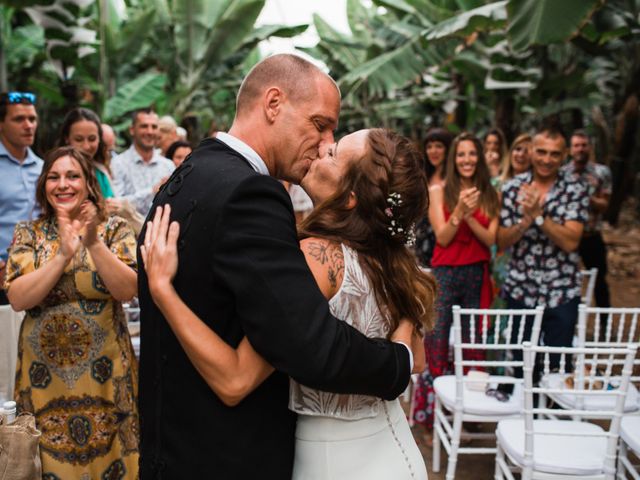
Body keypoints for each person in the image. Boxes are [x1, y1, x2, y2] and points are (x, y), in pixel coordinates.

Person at [136, 53, 417, 479]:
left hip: (173, 446)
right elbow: (310, 342)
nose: (325, 143)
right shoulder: (252, 194)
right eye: (320, 124)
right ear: (273, 104)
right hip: (228, 457)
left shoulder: (186, 176)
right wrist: (398, 364)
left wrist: (163, 293)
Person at [4, 146, 139, 479]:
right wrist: (63, 256)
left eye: (72, 175)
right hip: (44, 382)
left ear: (88, 183)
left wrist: (92, 243)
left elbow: (128, 289)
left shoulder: (114, 229)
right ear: (43, 185)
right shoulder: (28, 233)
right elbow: (19, 297)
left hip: (106, 377)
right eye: (54, 177)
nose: (62, 184)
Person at [423, 132, 500, 441]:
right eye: (461, 155)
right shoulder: (438, 190)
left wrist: (469, 218)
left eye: (472, 154)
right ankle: (433, 416)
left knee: (473, 345)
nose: (467, 160)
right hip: (445, 273)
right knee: (437, 341)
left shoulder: (492, 194)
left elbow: (490, 239)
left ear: (479, 158)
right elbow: (442, 237)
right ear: (453, 160)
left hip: (476, 273)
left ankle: (470, 415)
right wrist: (459, 212)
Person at [497, 128, 589, 372]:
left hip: (562, 291)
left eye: (554, 154)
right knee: (521, 366)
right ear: (531, 151)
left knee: (558, 366)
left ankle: (552, 411)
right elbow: (502, 241)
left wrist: (538, 217)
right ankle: (525, 411)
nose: (547, 159)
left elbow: (571, 241)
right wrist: (524, 222)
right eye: (541, 152)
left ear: (565, 155)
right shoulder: (512, 188)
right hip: (521, 289)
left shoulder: (575, 189)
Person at [0, 91, 42, 305]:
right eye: (19, 119)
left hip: (39, 274)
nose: (28, 125)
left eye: (32, 119)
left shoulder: (45, 169)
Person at [563, 130, 611, 308]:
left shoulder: (601, 172)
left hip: (592, 237)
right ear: (570, 150)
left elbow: (605, 204)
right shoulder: (562, 174)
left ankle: (604, 325)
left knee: (599, 282)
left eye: (583, 145)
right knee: (566, 282)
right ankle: (568, 324)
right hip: (568, 238)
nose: (580, 149)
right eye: (576, 145)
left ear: (589, 147)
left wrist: (585, 197)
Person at [110, 108, 174, 215]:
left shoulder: (168, 166)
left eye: (154, 127)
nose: (150, 132)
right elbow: (115, 205)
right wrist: (152, 192)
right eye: (144, 126)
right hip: (130, 231)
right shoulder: (118, 163)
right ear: (132, 130)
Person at [414, 127, 453, 267]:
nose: (433, 151)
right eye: (429, 147)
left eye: (439, 146)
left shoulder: (453, 180)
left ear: (448, 149)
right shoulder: (422, 177)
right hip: (421, 241)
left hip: (445, 242)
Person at [57, 107, 114, 199]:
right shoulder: (56, 173)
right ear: (67, 139)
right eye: (78, 139)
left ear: (99, 139)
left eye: (92, 139)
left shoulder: (101, 172)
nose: (86, 146)